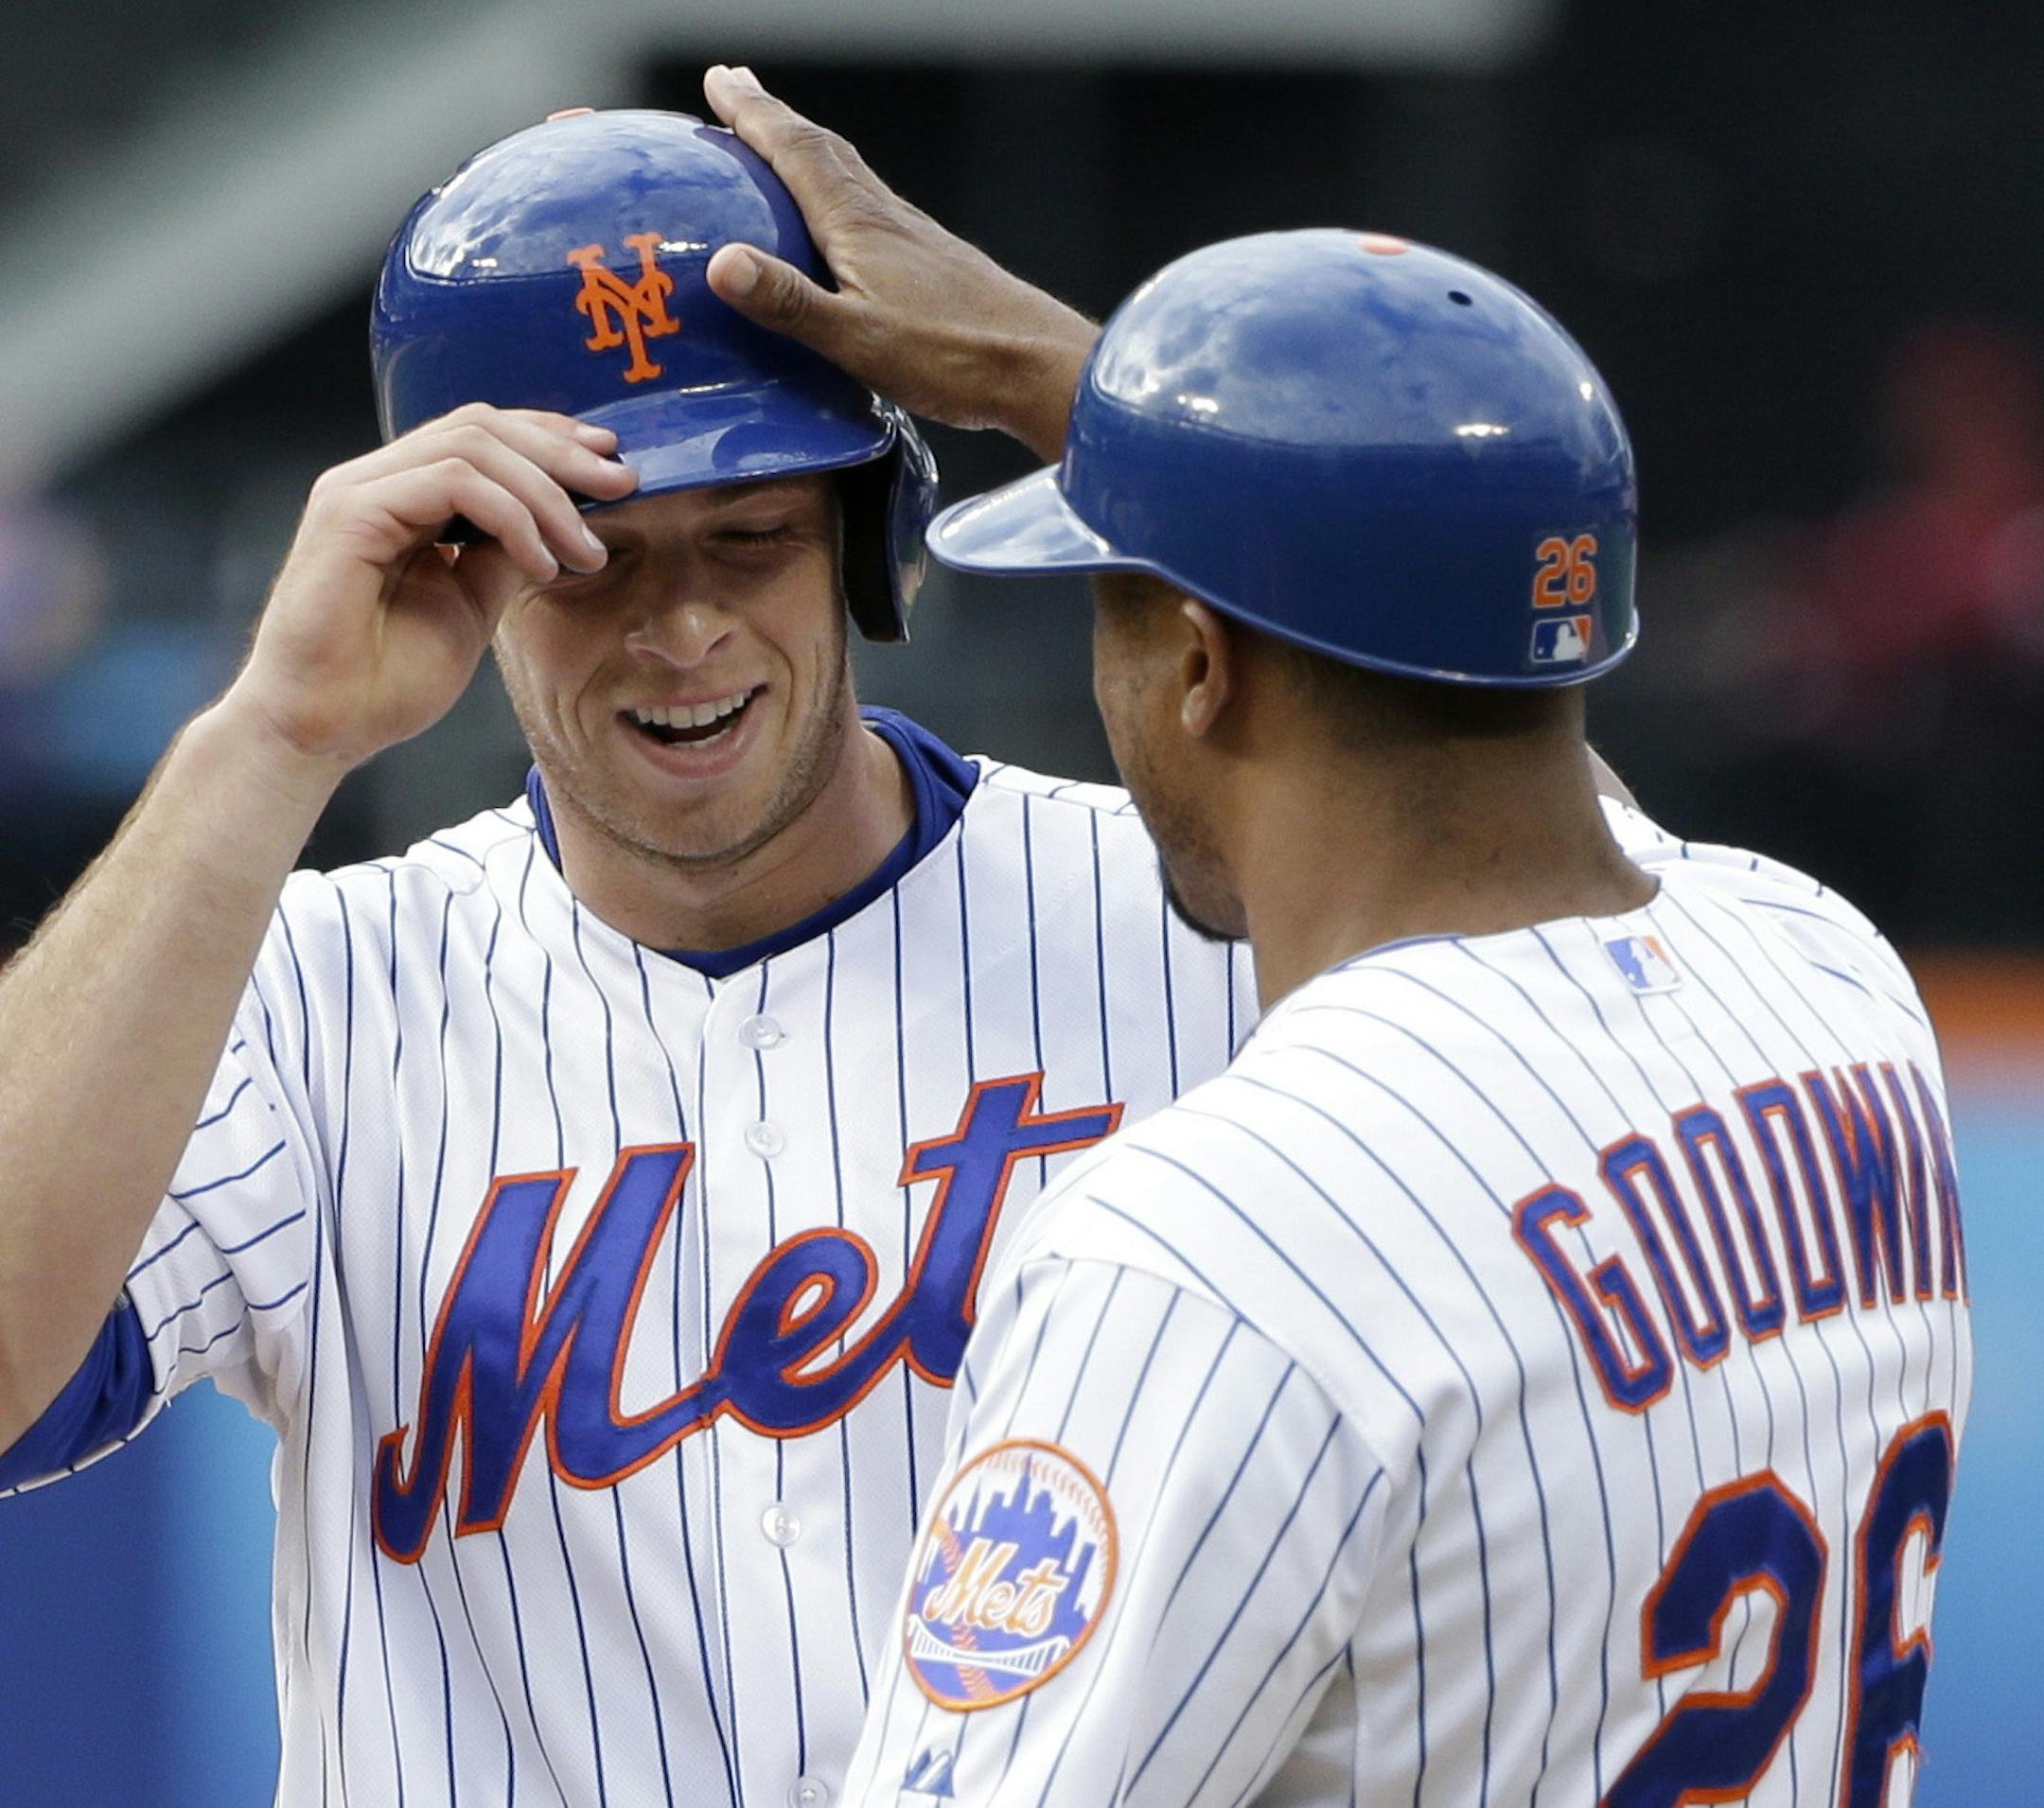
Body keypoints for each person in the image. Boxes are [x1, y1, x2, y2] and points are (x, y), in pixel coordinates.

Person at [689, 69, 1973, 1807]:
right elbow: (1499, 685)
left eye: (1114, 603)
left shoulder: (1211, 1246)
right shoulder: (1825, 974)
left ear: (1203, 663)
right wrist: (1126, 407)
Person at [0, 102, 1254, 1802]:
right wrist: (266, 739)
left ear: (866, 544)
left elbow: (1603, 976)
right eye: (593, 559)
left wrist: (1076, 393)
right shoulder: (300, 993)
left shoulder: (1205, 918)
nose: (684, 632)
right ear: (464, 567)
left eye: (750, 536)